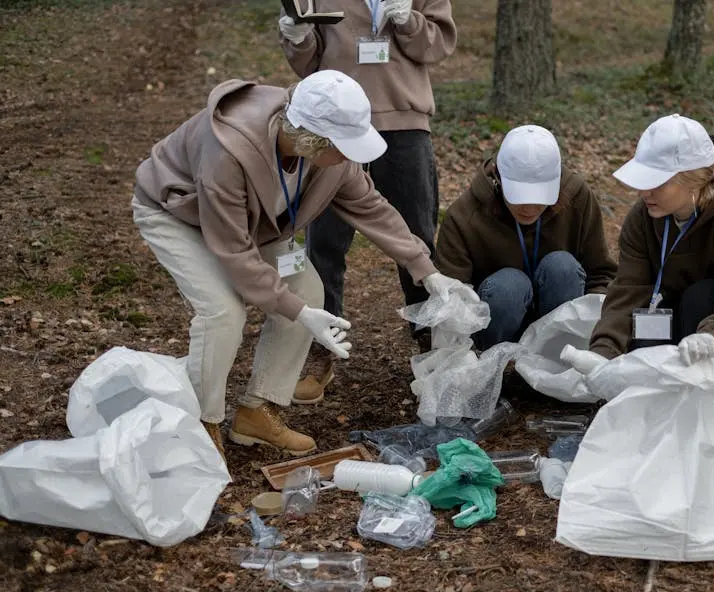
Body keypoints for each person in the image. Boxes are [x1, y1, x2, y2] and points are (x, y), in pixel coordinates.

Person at [132, 69, 469, 462]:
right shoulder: (227, 151)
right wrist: (297, 313)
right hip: (177, 213)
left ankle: (257, 410)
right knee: (222, 312)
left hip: (257, 223)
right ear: (309, 138)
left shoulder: (330, 156)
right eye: (343, 146)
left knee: (308, 290)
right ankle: (200, 425)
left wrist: (425, 269)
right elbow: (235, 253)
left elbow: (371, 207)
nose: (349, 156)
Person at [562, 114, 714, 455]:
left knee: (702, 296)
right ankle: (649, 417)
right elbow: (629, 289)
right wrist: (603, 352)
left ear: (693, 180)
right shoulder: (643, 218)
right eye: (642, 180)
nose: (643, 192)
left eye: (657, 183)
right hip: (688, 316)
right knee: (651, 313)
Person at [279, 0, 457, 401]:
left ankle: (430, 344)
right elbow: (308, 66)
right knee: (323, 244)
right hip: (332, 130)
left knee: (416, 236)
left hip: (405, 123)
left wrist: (408, 21)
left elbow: (439, 46)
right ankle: (320, 350)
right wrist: (297, 38)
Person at [435, 125, 617, 349]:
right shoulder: (464, 215)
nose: (529, 208)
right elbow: (453, 295)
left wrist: (597, 332)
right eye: (519, 196)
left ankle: (557, 359)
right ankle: (494, 366)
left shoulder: (576, 196)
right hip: (496, 324)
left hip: (559, 325)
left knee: (562, 268)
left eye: (540, 196)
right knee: (509, 285)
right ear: (498, 179)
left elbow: (600, 273)